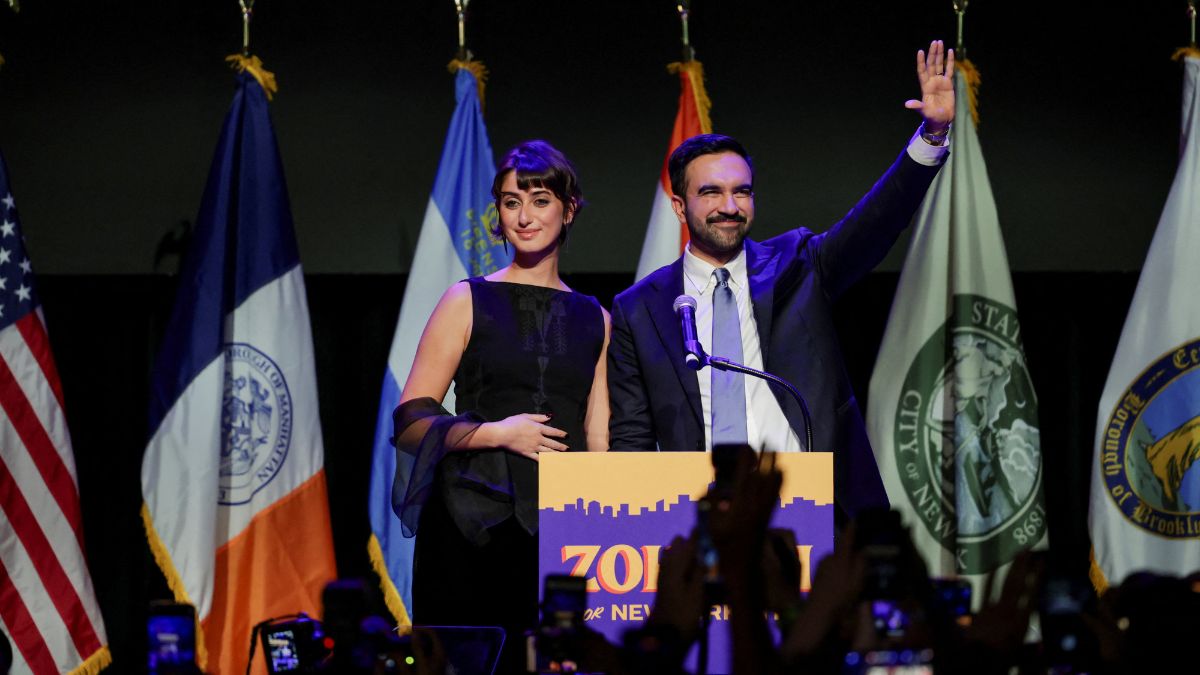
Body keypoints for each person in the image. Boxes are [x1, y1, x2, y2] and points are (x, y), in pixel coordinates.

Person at [607, 40, 956, 521]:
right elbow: (631, 437)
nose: (729, 206)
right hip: (697, 516)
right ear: (679, 206)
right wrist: (641, 526)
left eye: (742, 191)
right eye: (711, 192)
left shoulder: (798, 264)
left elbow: (875, 224)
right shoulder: (638, 308)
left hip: (812, 506)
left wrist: (931, 137)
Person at [391, 140, 611, 671]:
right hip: (470, 526)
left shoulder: (597, 318)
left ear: (569, 208)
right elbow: (410, 419)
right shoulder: (466, 299)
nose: (524, 216)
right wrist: (497, 432)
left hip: (560, 531)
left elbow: (599, 436)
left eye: (539, 200)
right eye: (512, 202)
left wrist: (603, 528)